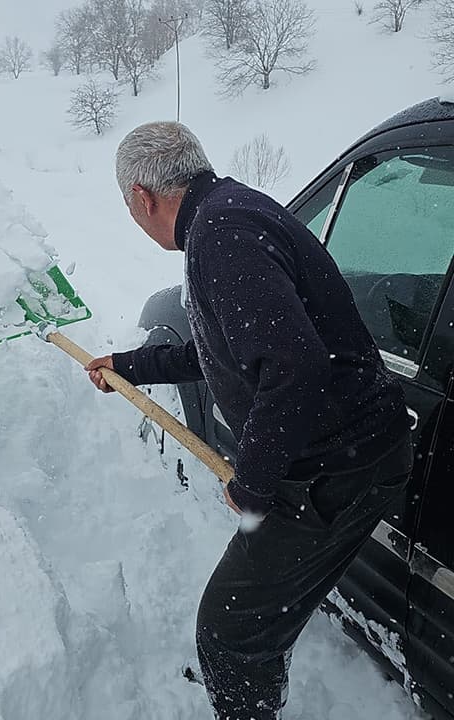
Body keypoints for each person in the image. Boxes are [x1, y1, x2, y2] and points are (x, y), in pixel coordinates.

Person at [83, 122, 413, 719]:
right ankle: (253, 670)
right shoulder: (229, 213)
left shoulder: (222, 235)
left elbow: (293, 364)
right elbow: (227, 352)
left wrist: (254, 480)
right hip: (353, 452)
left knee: (228, 628)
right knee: (255, 619)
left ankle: (242, 679)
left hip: (335, 470)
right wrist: (129, 365)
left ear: (142, 197)